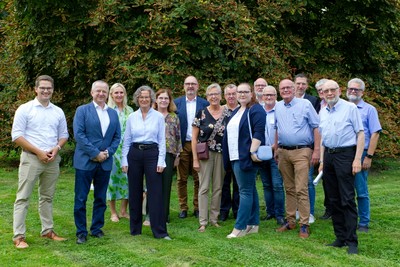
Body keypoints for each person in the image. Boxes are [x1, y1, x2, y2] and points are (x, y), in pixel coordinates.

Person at [11, 75, 69, 249]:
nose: (46, 91)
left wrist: (56, 149)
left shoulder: (58, 111)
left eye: (49, 88)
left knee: (47, 197)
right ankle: (19, 236)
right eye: (42, 88)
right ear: (35, 89)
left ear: (53, 90)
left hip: (51, 160)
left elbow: (64, 135)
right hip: (31, 158)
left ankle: (47, 231)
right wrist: (38, 152)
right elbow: (17, 136)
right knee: (23, 198)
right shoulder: (25, 109)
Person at [319, 79, 365, 254]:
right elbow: (323, 138)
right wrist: (322, 161)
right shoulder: (323, 111)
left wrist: (357, 159)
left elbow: (360, 134)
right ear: (322, 93)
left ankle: (352, 241)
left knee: (346, 198)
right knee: (333, 199)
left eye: (333, 90)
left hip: (346, 155)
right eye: (326, 91)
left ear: (339, 90)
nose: (329, 93)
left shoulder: (350, 108)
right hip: (329, 156)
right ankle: (340, 237)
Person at [73, 80, 121, 244]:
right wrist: (95, 153)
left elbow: (117, 137)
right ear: (92, 92)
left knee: (100, 197)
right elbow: (79, 135)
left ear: (108, 94)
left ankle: (96, 228)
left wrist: (106, 153)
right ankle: (81, 232)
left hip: (105, 162)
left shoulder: (113, 113)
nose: (101, 94)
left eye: (104, 91)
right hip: (85, 161)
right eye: (98, 91)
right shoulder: (82, 110)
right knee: (81, 198)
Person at [122, 85, 171, 240]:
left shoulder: (158, 117)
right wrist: (125, 160)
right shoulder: (132, 117)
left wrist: (161, 160)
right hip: (134, 154)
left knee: (155, 193)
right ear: (137, 99)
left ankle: (160, 231)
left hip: (152, 154)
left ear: (151, 99)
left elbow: (162, 140)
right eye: (141, 97)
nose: (144, 99)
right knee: (134, 191)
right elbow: (127, 140)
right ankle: (135, 229)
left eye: (147, 97)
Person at [275, 79, 320, 239]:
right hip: (283, 152)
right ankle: (290, 221)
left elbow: (316, 127)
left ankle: (305, 224)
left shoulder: (305, 104)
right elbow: (276, 128)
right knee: (289, 188)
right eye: (283, 88)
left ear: (294, 89)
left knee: (301, 188)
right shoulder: (278, 105)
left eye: (288, 87)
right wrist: (276, 149)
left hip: (302, 151)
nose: (286, 90)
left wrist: (316, 151)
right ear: (279, 91)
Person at [223, 83, 266, 238]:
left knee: (245, 192)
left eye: (245, 92)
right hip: (235, 156)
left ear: (251, 93)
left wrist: (252, 151)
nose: (241, 94)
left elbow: (258, 132)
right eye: (238, 92)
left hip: (246, 157)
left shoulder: (255, 109)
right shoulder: (237, 111)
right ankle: (253, 224)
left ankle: (239, 228)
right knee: (250, 189)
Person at [192, 83, 231, 232]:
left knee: (218, 187)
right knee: (204, 187)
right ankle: (203, 221)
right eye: (210, 94)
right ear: (207, 97)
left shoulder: (227, 113)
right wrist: (195, 159)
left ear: (221, 96)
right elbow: (194, 139)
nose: (213, 97)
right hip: (204, 155)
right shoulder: (201, 113)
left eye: (216, 94)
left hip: (222, 154)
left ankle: (214, 218)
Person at [346, 78, 382, 233]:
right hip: (345, 153)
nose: (353, 91)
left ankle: (363, 222)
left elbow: (375, 134)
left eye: (357, 89)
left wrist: (369, 156)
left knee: (360, 190)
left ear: (362, 92)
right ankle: (348, 219)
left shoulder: (369, 109)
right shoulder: (343, 107)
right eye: (351, 89)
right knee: (345, 189)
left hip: (362, 154)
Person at [174, 76, 209, 219]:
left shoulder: (204, 103)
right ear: (183, 86)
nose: (190, 86)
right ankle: (183, 207)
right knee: (181, 179)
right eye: (187, 84)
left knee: (198, 178)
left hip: (199, 145)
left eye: (193, 84)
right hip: (182, 144)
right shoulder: (176, 103)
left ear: (197, 86)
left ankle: (197, 207)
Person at [294, 73, 321, 224]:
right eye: (298, 83)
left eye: (303, 84)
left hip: (307, 147)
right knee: (294, 181)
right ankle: (297, 210)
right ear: (294, 84)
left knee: (308, 180)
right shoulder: (287, 100)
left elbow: (315, 126)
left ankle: (309, 212)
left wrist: (315, 149)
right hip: (291, 148)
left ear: (307, 85)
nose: (300, 86)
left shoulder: (312, 100)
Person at [154, 88, 182, 223]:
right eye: (161, 98)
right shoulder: (151, 115)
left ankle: (164, 216)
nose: (163, 100)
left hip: (169, 154)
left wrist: (178, 156)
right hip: (152, 154)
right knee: (153, 184)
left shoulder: (174, 117)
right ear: (156, 100)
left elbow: (178, 137)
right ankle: (150, 214)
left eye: (166, 98)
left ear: (169, 101)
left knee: (166, 185)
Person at [107, 83, 134, 222]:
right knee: (112, 180)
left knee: (127, 179)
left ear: (124, 94)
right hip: (112, 150)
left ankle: (124, 211)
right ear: (111, 94)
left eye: (121, 92)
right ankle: (113, 212)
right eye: (116, 93)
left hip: (128, 149)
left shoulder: (130, 110)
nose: (119, 95)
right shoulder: (107, 110)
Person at [258, 86, 285, 226]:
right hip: (261, 153)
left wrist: (276, 146)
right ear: (262, 96)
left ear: (276, 95)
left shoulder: (281, 110)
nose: (269, 97)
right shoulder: (258, 111)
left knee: (277, 185)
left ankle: (280, 214)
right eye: (266, 95)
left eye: (272, 95)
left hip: (276, 153)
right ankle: (270, 212)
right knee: (266, 184)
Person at [219, 84, 240, 221]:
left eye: (234, 93)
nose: (231, 96)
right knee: (224, 183)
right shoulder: (220, 110)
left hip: (238, 151)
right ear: (225, 96)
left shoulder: (243, 109)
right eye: (228, 94)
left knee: (238, 183)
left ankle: (237, 210)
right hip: (223, 151)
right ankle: (224, 210)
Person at [314, 78, 333, 220]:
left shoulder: (337, 105)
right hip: (322, 146)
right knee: (326, 180)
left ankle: (336, 208)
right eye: (320, 90)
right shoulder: (318, 105)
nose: (322, 92)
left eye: (324, 89)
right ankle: (329, 208)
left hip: (334, 147)